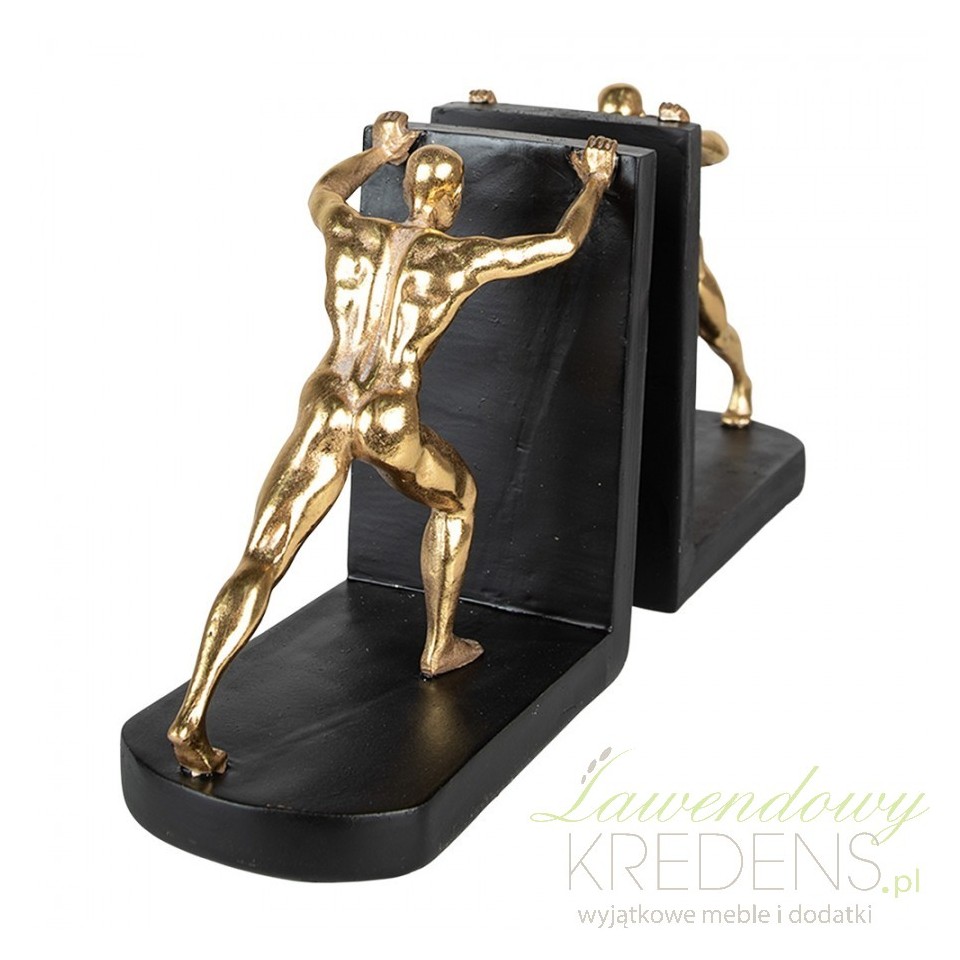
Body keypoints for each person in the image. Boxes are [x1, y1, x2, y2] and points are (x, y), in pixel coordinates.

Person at [167, 111, 619, 775]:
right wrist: (596, 183)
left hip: (327, 400)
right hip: (388, 415)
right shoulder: (458, 258)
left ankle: (193, 712)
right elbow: (558, 245)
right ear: (453, 200)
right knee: (457, 499)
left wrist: (379, 153)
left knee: (262, 557)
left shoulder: (349, 231)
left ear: (408, 190)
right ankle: (438, 645)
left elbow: (324, 189)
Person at [599, 83, 753, 427]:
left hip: (683, 268)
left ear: (641, 116)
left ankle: (741, 379)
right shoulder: (598, 151)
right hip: (621, 271)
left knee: (717, 332)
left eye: (627, 120)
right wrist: (486, 112)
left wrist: (684, 131)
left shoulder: (660, 142)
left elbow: (719, 149)